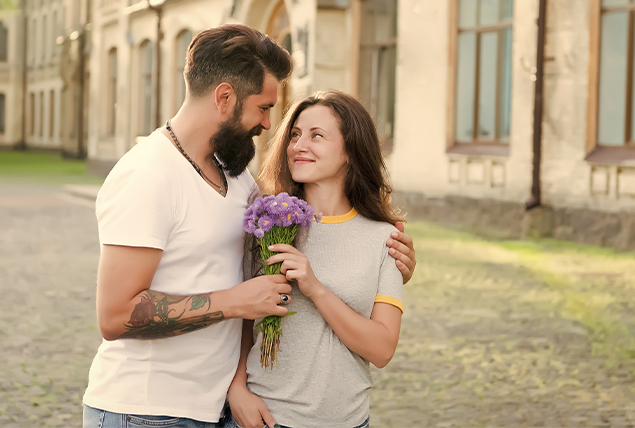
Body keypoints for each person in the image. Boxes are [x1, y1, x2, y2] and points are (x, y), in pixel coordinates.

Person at [83, 26, 416, 428]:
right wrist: (237, 301)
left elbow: (334, 254)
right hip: (146, 410)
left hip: (213, 409)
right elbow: (116, 315)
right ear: (225, 98)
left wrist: (388, 267)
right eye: (263, 108)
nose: (268, 124)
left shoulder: (238, 179)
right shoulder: (148, 174)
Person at [225, 90, 409, 428]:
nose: (298, 146)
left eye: (316, 136)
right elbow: (242, 321)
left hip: (347, 421)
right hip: (265, 418)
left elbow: (382, 349)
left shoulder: (385, 239)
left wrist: (315, 288)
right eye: (294, 135)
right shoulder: (268, 224)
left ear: (351, 151)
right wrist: (236, 389)